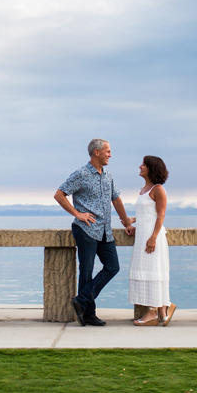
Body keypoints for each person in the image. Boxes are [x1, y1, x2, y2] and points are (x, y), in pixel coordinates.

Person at [54, 138, 133, 326]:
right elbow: (59, 194)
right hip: (86, 229)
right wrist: (78, 214)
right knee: (86, 272)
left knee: (113, 267)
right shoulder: (81, 174)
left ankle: (81, 302)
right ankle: (88, 315)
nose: (110, 155)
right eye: (108, 151)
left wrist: (126, 221)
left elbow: (117, 200)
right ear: (96, 152)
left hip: (105, 231)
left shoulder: (108, 175)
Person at [128, 155, 176, 326]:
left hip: (152, 237)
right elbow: (147, 213)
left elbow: (161, 215)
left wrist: (154, 237)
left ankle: (153, 312)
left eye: (143, 165)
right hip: (142, 235)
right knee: (145, 271)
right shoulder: (144, 189)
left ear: (151, 168)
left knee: (154, 272)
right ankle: (163, 308)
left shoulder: (158, 189)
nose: (140, 166)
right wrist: (131, 221)